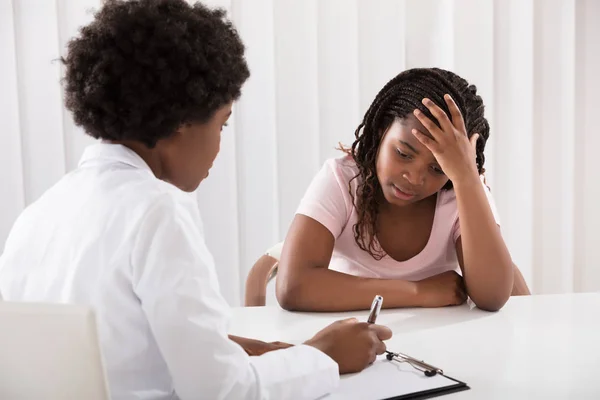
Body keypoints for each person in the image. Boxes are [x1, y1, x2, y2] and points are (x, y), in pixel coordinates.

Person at [0, 1, 392, 399]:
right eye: (221, 124)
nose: (220, 146)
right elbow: (223, 392)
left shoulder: (38, 215)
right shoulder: (157, 211)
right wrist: (323, 355)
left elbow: (124, 348)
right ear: (183, 122)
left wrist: (249, 350)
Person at [276, 68, 531, 314]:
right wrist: (417, 292)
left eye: (437, 168)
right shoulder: (343, 179)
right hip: (353, 337)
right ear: (381, 130)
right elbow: (294, 286)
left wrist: (466, 179)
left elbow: (492, 296)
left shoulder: (461, 189)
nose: (414, 178)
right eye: (403, 153)